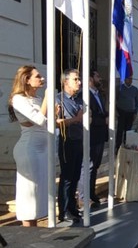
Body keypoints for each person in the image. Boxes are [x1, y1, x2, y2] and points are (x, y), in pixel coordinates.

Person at [7, 66, 51, 226]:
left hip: (43, 150)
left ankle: (36, 232)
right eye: (38, 76)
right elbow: (38, 120)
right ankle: (27, 234)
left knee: (40, 194)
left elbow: (47, 123)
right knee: (30, 194)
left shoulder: (38, 99)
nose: (42, 79)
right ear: (27, 79)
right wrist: (48, 97)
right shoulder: (18, 99)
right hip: (29, 150)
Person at [56, 69, 84, 223]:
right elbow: (56, 123)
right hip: (66, 142)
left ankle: (73, 207)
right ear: (66, 82)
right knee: (66, 177)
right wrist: (76, 119)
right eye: (76, 79)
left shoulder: (78, 99)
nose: (79, 82)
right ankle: (64, 210)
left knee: (75, 177)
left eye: (79, 79)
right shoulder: (58, 99)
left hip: (78, 140)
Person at [88, 70, 108, 206]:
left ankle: (92, 194)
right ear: (90, 78)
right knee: (89, 166)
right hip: (91, 134)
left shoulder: (98, 94)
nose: (99, 78)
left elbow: (101, 112)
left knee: (95, 166)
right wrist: (103, 121)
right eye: (97, 76)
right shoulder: (85, 95)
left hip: (100, 134)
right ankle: (85, 196)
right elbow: (89, 116)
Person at [115, 76, 138, 153]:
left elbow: (136, 102)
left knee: (128, 130)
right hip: (121, 111)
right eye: (129, 78)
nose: (130, 80)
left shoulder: (135, 89)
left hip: (130, 112)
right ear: (125, 79)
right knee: (120, 130)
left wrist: (135, 112)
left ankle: (126, 145)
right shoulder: (119, 88)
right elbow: (115, 98)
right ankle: (118, 147)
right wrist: (116, 110)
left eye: (131, 79)